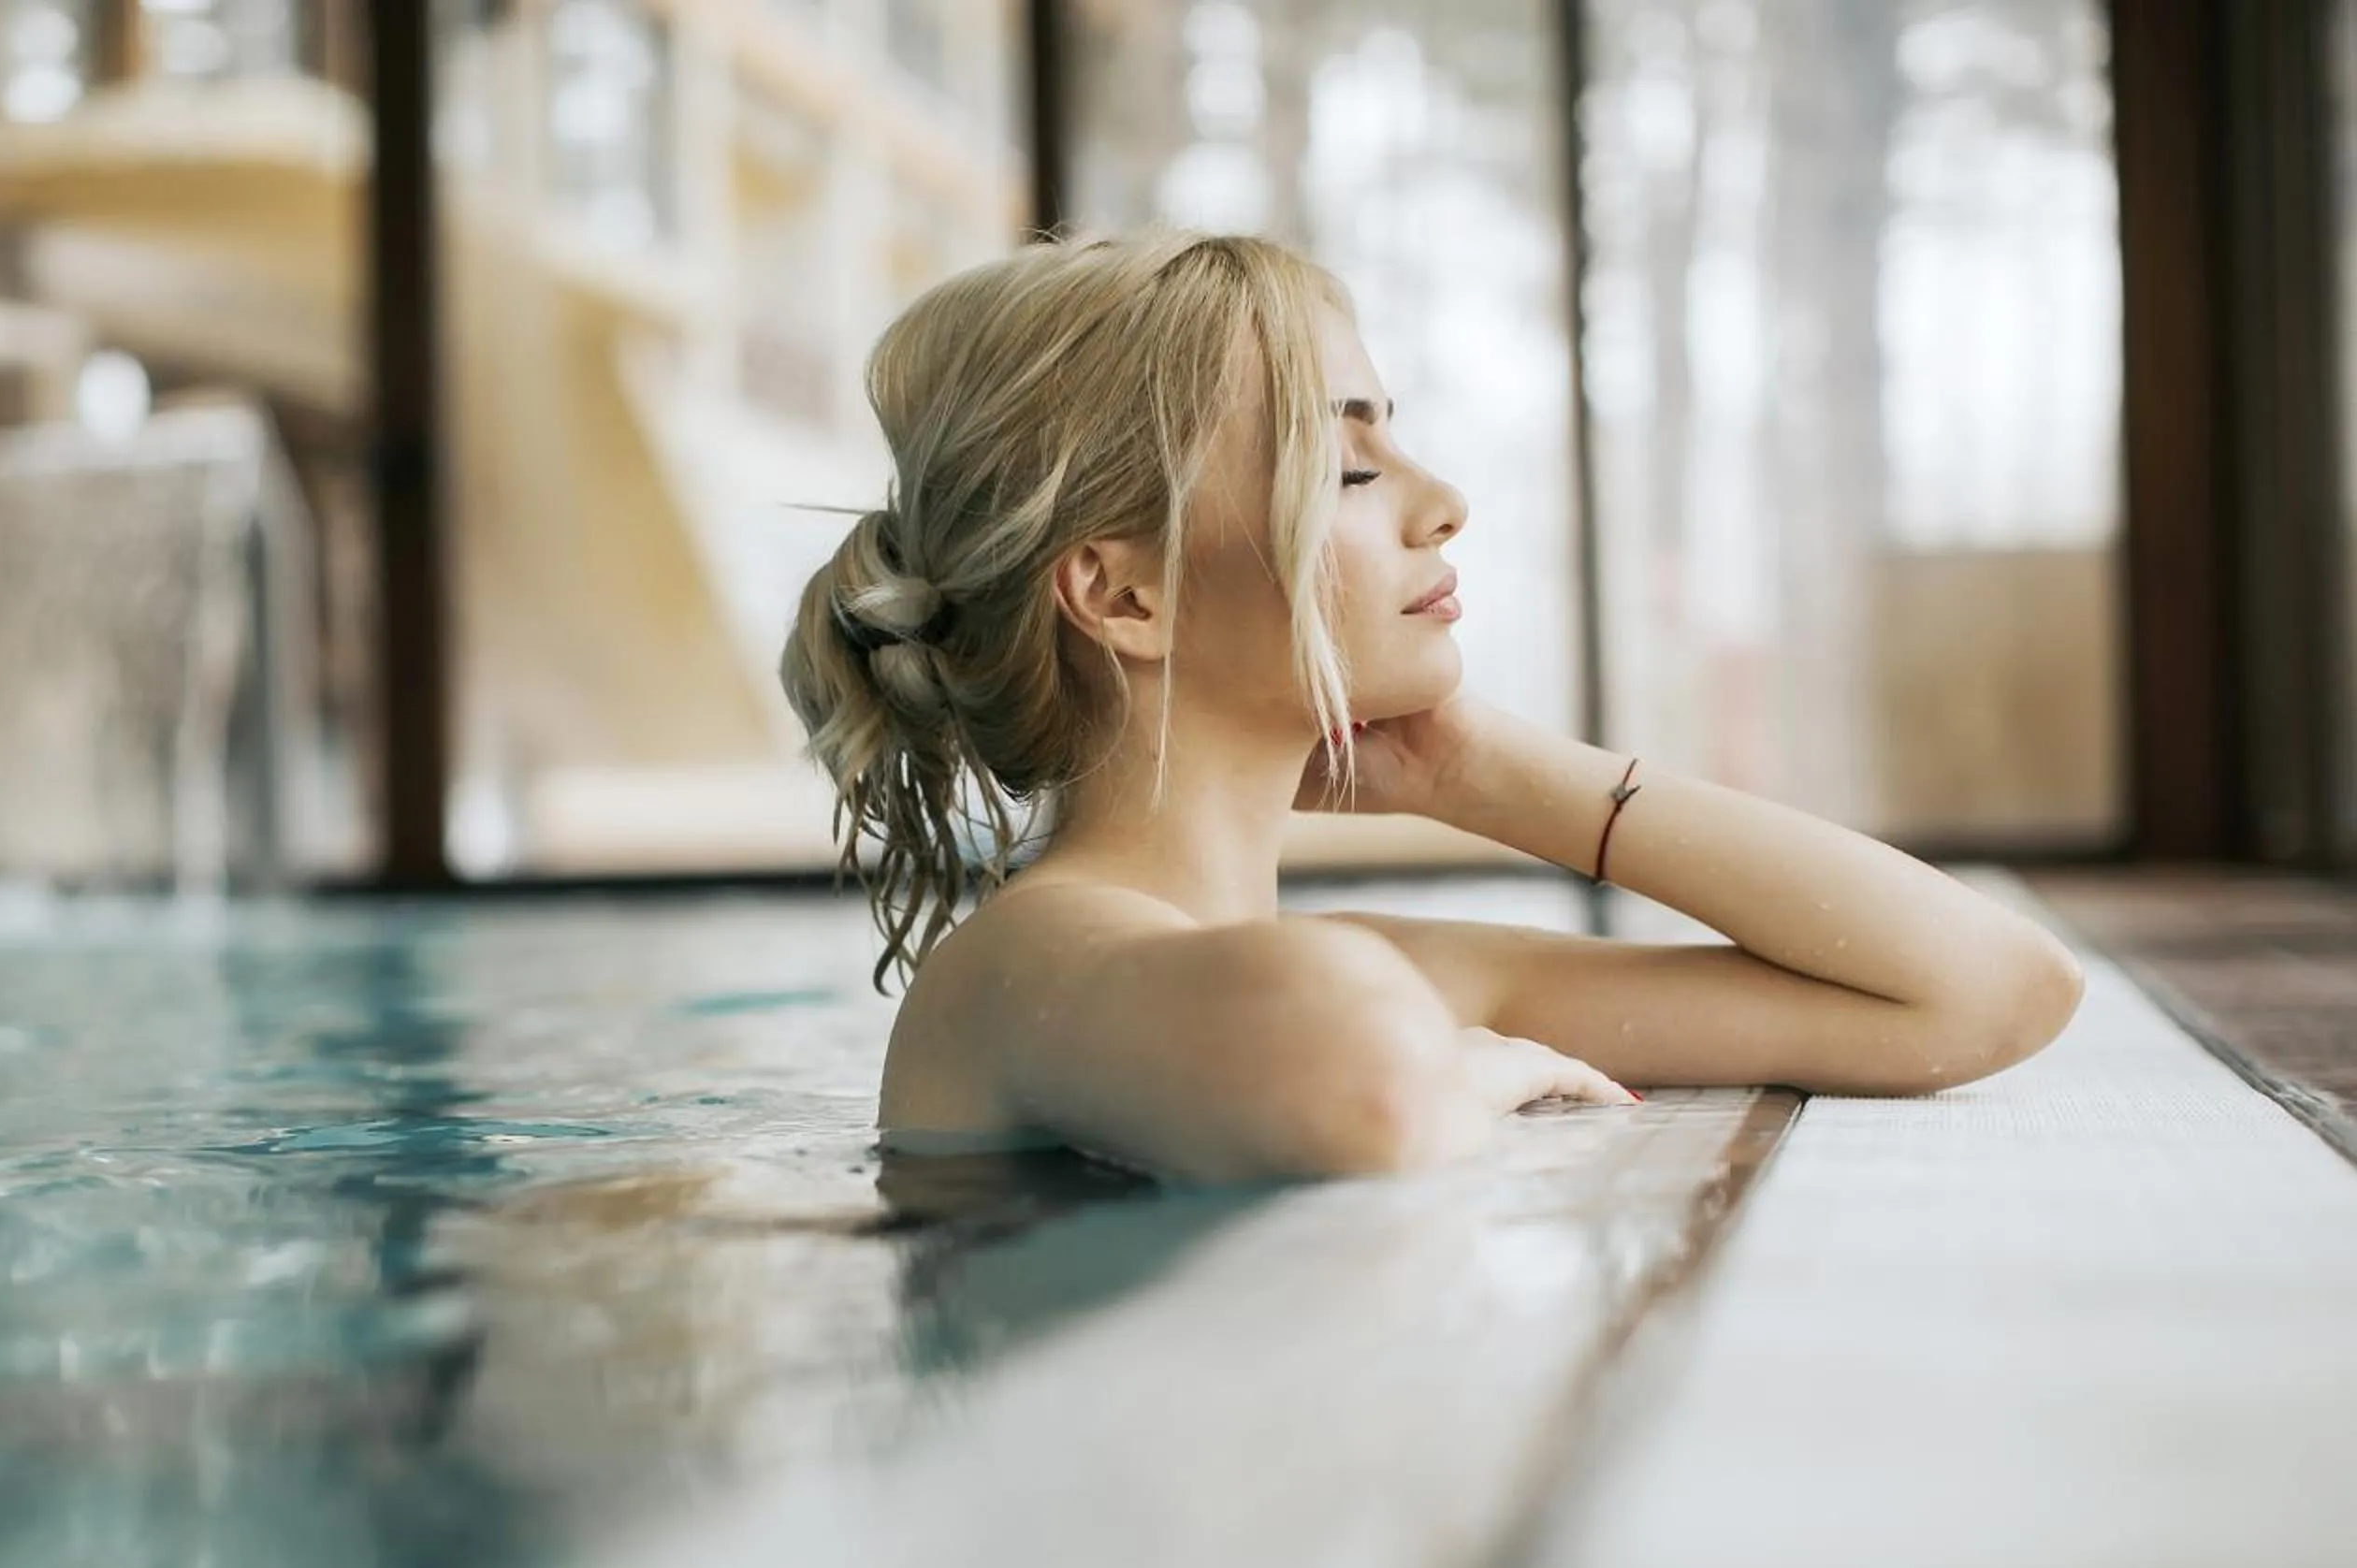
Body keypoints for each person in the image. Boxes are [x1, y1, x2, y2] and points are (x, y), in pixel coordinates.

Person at [779, 229, 2084, 1183]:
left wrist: (1487, 773)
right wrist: (1480, 1065)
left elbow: (1986, 994)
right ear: (1124, 599)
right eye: (1348, 467)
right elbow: (1369, 1089)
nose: (1441, 495)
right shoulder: (1024, 965)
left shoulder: (1353, 975)